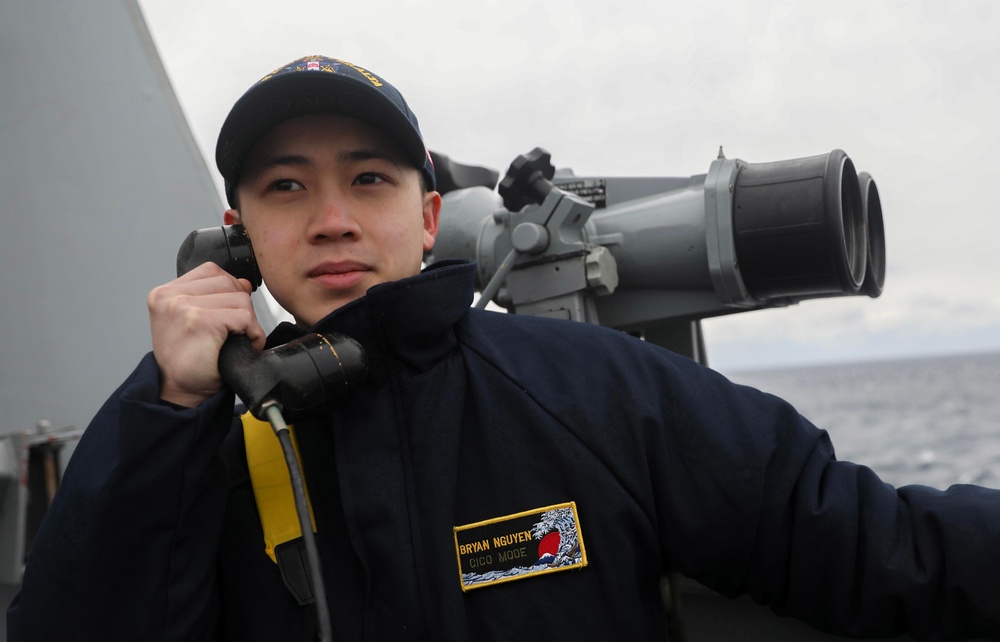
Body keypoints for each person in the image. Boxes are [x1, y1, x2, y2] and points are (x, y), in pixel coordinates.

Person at [7, 54, 1000, 641]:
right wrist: (167, 412)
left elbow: (865, 541)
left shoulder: (598, 395)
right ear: (235, 235)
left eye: (368, 180)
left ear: (429, 213)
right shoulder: (197, 449)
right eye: (285, 188)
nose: (331, 219)